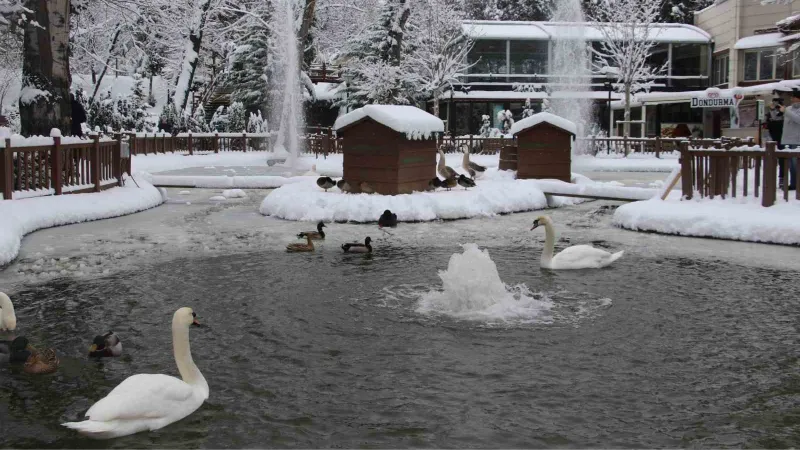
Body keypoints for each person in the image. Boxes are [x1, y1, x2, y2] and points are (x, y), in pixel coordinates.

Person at [779, 91, 799, 190]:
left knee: (796, 164)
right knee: (791, 165)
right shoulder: (788, 109)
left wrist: (786, 112)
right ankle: (793, 183)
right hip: (787, 139)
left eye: (793, 97)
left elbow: (798, 119)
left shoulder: (789, 110)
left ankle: (797, 184)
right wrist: (773, 110)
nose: (791, 99)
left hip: (797, 141)